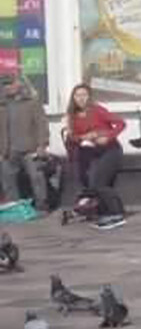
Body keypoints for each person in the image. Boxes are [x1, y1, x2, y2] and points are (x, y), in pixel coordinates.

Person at [61, 83, 126, 229]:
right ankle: (107, 213)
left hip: (111, 150)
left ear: (89, 97)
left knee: (100, 183)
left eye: (84, 95)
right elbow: (74, 138)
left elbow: (121, 123)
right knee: (97, 184)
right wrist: (84, 136)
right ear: (73, 98)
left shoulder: (97, 111)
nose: (81, 99)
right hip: (93, 153)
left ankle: (117, 214)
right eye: (77, 95)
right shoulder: (73, 116)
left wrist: (107, 136)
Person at [0, 74, 50, 212]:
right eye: (4, 84)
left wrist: (42, 145)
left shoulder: (32, 102)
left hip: (31, 148)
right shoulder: (2, 104)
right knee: (8, 181)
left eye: (10, 83)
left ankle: (42, 206)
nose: (7, 87)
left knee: (37, 178)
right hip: (7, 150)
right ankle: (14, 209)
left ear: (19, 84)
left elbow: (41, 124)